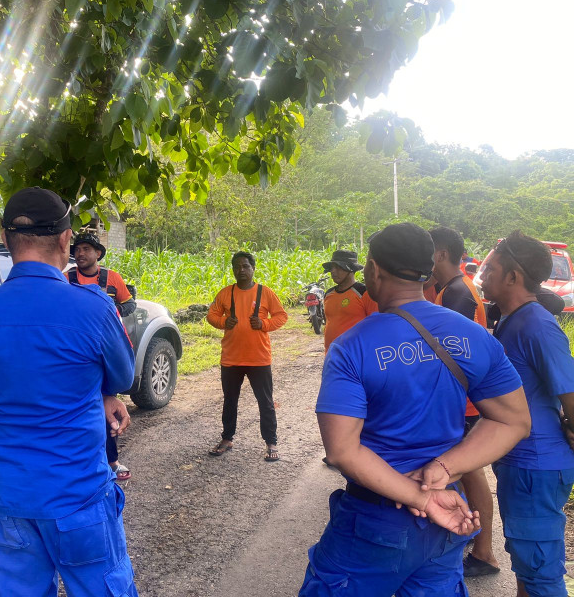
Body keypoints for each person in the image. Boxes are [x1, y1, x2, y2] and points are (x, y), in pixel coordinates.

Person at [300, 223, 531, 597]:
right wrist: (443, 469)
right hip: (445, 517)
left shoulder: (351, 347)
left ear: (374, 270)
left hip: (376, 521)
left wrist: (421, 497)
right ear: (427, 269)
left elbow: (342, 451)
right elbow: (515, 420)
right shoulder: (473, 336)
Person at [0, 187, 139, 597]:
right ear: (65, 240)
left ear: (6, 240)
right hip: (76, 494)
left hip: (9, 497)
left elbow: (9, 374)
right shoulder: (92, 306)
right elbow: (122, 375)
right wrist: (103, 393)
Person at [480, 231, 574, 597]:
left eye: (490, 269)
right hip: (522, 463)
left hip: (536, 466)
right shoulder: (511, 320)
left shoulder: (537, 325)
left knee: (540, 572)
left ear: (513, 277)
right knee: (526, 563)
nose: (483, 275)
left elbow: (570, 393)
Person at [428, 226, 499, 578]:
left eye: (428, 252)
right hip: (464, 400)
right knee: (469, 474)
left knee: (471, 474)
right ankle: (477, 539)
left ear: (440, 253)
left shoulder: (457, 293)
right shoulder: (453, 289)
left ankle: (485, 551)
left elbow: (451, 354)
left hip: (465, 403)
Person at [206, 251, 288, 462]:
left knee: (265, 402)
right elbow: (212, 315)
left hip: (258, 359)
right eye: (236, 267)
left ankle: (271, 442)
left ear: (253, 268)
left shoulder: (265, 293)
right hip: (231, 358)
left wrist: (264, 324)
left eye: (245, 266)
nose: (240, 270)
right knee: (230, 400)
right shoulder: (225, 293)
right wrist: (224, 322)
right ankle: (227, 438)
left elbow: (281, 316)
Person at [68, 232, 136, 481]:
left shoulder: (111, 278)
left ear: (98, 253)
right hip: (76, 351)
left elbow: (130, 304)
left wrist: (109, 311)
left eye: (87, 249)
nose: (81, 253)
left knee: (107, 407)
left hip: (104, 351)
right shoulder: (66, 279)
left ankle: (112, 461)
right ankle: (84, 462)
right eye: (77, 249)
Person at [321, 249, 377, 351]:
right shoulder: (329, 294)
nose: (333, 271)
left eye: (338, 267)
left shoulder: (364, 293)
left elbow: (375, 325)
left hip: (356, 353)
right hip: (331, 354)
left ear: (350, 269)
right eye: (332, 267)